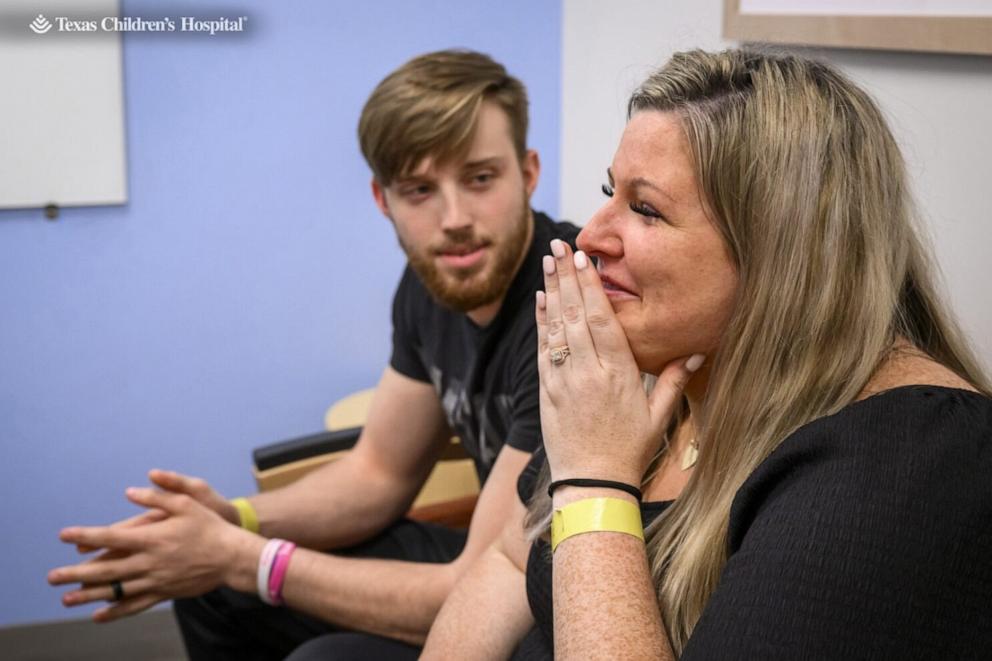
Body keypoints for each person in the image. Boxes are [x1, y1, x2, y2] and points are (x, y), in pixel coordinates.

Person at [421, 48, 992, 659]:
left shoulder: (909, 460)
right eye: (609, 191)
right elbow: (510, 561)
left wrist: (594, 481)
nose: (588, 236)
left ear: (779, 252)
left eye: (644, 209)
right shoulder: (661, 370)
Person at [47, 49, 578, 660]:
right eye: (420, 190)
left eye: (480, 178)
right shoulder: (431, 285)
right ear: (383, 200)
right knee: (211, 586)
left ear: (529, 172)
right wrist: (233, 521)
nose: (454, 219)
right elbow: (378, 472)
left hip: (549, 596)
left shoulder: (565, 308)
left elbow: (477, 584)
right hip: (484, 562)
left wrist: (245, 557)